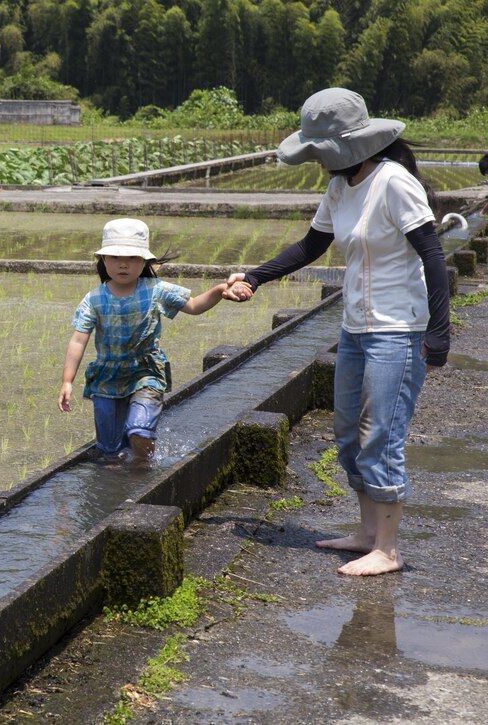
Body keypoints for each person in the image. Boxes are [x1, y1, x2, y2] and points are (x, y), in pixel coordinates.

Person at [224, 87, 450, 576]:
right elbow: (311, 246)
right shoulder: (341, 186)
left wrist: (439, 332)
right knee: (348, 434)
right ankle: (367, 534)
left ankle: (388, 551)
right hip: (355, 327)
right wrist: (255, 277)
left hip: (398, 330)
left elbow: (432, 254)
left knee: (381, 435)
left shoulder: (393, 183)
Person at [58, 218, 229, 464]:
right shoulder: (94, 299)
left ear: (145, 262)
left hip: (145, 371)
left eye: (132, 258)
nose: (123, 265)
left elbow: (193, 306)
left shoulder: (155, 289)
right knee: (109, 452)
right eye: (115, 258)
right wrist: (67, 381)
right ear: (103, 260)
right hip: (108, 376)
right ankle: (122, 477)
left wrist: (219, 290)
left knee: (139, 430)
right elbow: (78, 340)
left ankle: (145, 470)